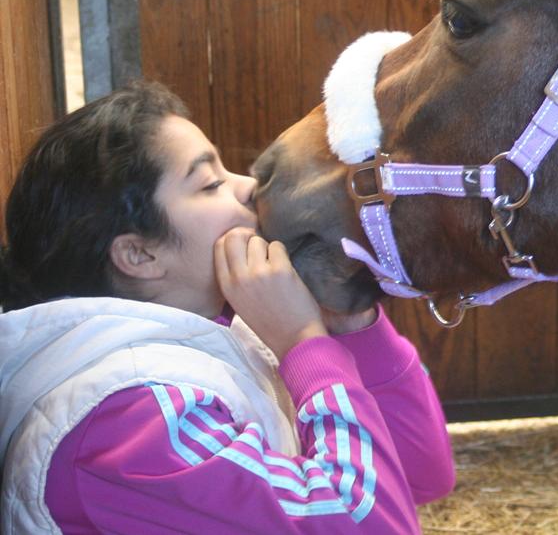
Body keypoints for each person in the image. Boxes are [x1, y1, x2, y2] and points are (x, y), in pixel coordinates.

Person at [0, 80, 455, 534]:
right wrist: (304, 345)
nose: (249, 186)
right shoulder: (126, 423)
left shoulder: (228, 335)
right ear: (139, 255)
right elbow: (372, 525)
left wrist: (350, 325)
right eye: (210, 183)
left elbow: (420, 475)